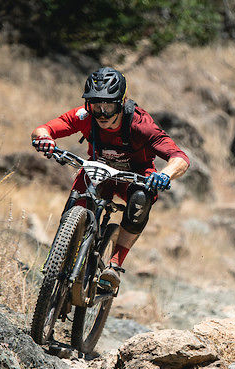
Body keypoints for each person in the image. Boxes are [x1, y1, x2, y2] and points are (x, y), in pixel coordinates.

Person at [31, 67, 189, 292]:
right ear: (88, 105)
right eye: (97, 106)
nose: (103, 113)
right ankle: (61, 255)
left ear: (121, 102)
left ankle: (114, 266)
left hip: (135, 177)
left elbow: (179, 158)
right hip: (97, 171)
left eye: (109, 106)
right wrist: (45, 139)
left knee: (140, 201)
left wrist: (164, 175)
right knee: (75, 204)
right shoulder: (85, 117)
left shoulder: (140, 124)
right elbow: (43, 129)